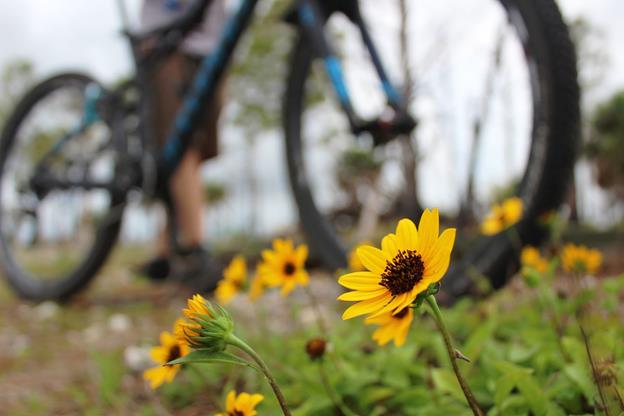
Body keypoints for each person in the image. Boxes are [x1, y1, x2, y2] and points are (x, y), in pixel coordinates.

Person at [137, 0, 227, 290]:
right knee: (179, 141)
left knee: (198, 151)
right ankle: (193, 248)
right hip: (166, 37)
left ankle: (164, 246)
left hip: (212, 42)